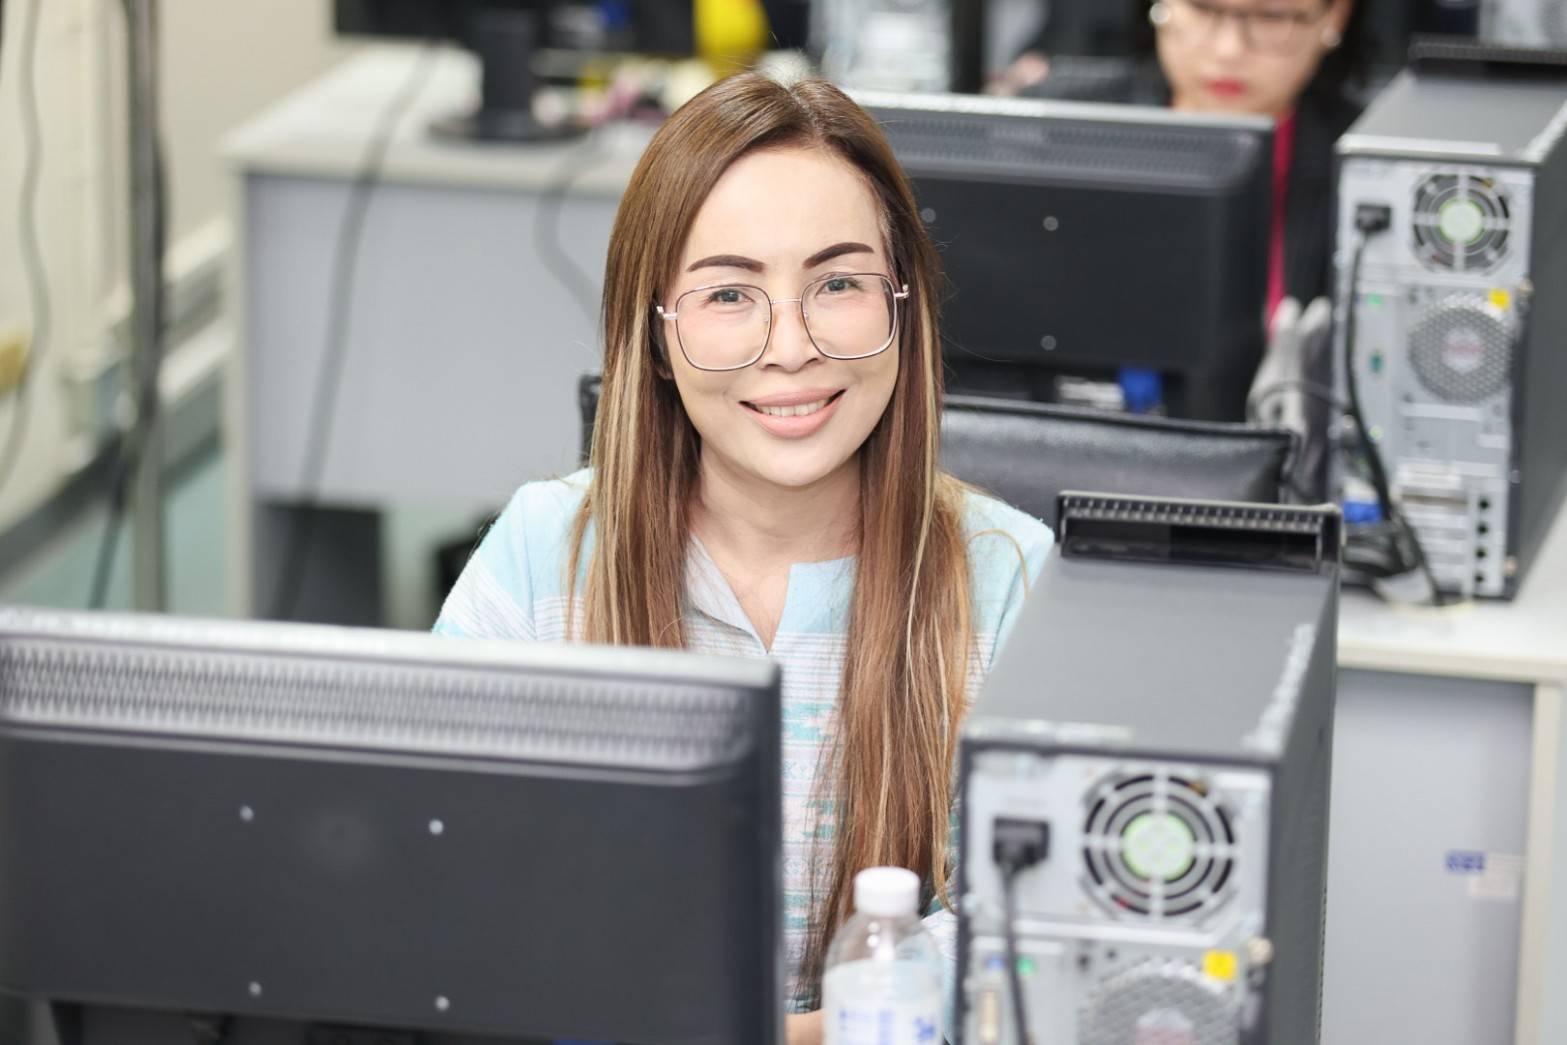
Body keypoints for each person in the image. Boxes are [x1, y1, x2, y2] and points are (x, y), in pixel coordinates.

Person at [433, 72, 1053, 1044]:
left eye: (837, 284)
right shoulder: (545, 550)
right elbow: (445, 872)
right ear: (656, 337)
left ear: (901, 307)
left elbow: (1030, 932)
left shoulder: (1011, 576)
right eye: (729, 293)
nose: (790, 346)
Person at [999, 0, 1368, 318]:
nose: (1229, 49)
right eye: (1202, 9)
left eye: (1272, 17)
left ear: (1334, 16)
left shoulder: (1363, 158)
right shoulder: (1054, 127)